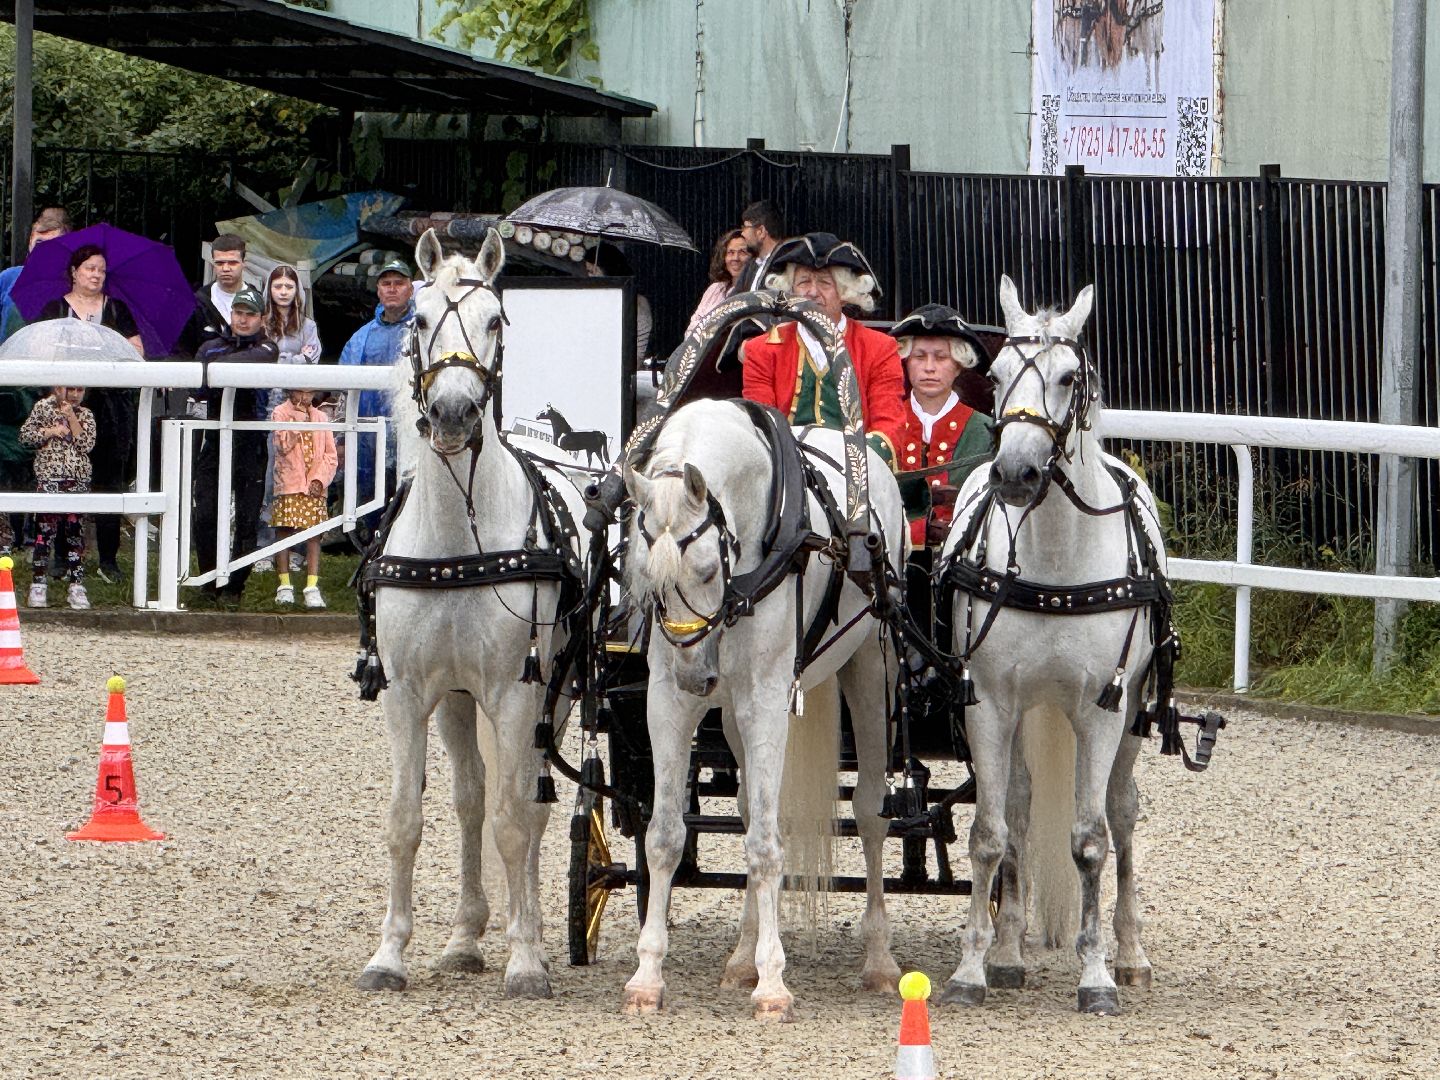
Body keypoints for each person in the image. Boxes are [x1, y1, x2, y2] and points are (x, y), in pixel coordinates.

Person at [741, 232, 906, 466]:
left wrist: (856, 469)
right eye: (803, 282)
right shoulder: (762, 350)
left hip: (857, 474)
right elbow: (762, 426)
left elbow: (889, 424)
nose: (811, 292)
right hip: (789, 473)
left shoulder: (879, 348)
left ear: (846, 294)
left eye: (824, 283)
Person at [37, 245, 143, 583]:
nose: (95, 275)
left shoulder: (117, 309)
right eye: (89, 268)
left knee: (110, 480)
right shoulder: (54, 309)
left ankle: (108, 559)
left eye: (100, 269)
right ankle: (58, 558)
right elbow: (41, 351)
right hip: (67, 404)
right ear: (74, 271)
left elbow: (135, 350)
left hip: (111, 407)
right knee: (63, 476)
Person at [193, 286, 279, 600]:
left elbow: (244, 365)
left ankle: (235, 587)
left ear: (261, 318)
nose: (242, 320)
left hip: (250, 443)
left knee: (246, 517)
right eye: (238, 313)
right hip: (214, 440)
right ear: (231, 315)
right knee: (204, 513)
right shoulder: (210, 346)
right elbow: (198, 389)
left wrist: (218, 369)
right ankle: (208, 582)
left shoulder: (268, 349)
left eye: (250, 314)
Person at [889, 304, 994, 548]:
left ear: (958, 365)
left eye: (941, 357)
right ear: (905, 361)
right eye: (919, 356)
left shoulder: (988, 431)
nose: (929, 367)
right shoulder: (884, 425)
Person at [337, 258, 414, 523]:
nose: (392, 289)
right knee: (370, 497)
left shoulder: (423, 330)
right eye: (386, 283)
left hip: (411, 431)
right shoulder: (360, 337)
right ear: (379, 290)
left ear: (410, 289)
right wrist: (340, 439)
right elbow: (343, 392)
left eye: (399, 283)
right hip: (367, 435)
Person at [257, 264, 322, 570]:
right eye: (277, 286)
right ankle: (263, 546)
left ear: (298, 291)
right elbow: (259, 357)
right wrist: (286, 361)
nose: (283, 291)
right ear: (269, 289)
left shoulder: (308, 326)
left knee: (296, 475)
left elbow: (311, 359)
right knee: (270, 476)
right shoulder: (261, 323)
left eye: (289, 286)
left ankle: (292, 548)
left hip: (297, 412)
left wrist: (281, 359)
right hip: (266, 409)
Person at [18, 385, 96, 609]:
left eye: (79, 390)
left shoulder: (86, 414)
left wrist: (71, 417)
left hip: (77, 479)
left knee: (75, 536)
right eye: (69, 389)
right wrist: (49, 432)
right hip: (49, 477)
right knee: (44, 534)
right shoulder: (42, 408)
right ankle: (38, 583)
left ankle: (76, 585)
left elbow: (86, 444)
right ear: (57, 387)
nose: (74, 394)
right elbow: (25, 436)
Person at [269, 387, 337, 609]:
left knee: (314, 536)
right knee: (284, 532)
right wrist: (296, 422)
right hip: (289, 484)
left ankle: (312, 586)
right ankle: (285, 584)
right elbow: (281, 446)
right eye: (300, 393)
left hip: (313, 486)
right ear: (291, 391)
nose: (304, 398)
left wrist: (320, 480)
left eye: (309, 394)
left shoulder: (321, 417)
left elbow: (330, 455)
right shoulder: (280, 412)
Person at [0, 206, 72, 343]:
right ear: (30, 242)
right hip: (8, 361)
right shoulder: (8, 278)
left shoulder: (74, 286)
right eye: (40, 243)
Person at [685, 229, 751, 336]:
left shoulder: (754, 290)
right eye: (731, 252)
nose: (735, 258)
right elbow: (692, 327)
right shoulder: (715, 289)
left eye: (742, 252)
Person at [733, 200, 785, 293]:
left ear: (761, 231)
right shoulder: (750, 266)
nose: (742, 233)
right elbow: (733, 301)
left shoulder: (784, 264)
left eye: (745, 227)